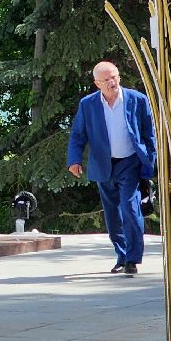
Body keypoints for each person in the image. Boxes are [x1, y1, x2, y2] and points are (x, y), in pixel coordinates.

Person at [65, 61, 157, 275]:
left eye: (114, 77)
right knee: (113, 214)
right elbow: (78, 134)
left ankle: (133, 259)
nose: (112, 82)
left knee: (130, 207)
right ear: (97, 83)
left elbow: (149, 133)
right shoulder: (88, 105)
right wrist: (74, 160)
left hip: (130, 162)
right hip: (103, 163)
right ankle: (122, 254)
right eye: (106, 79)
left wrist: (149, 160)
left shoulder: (137, 99)